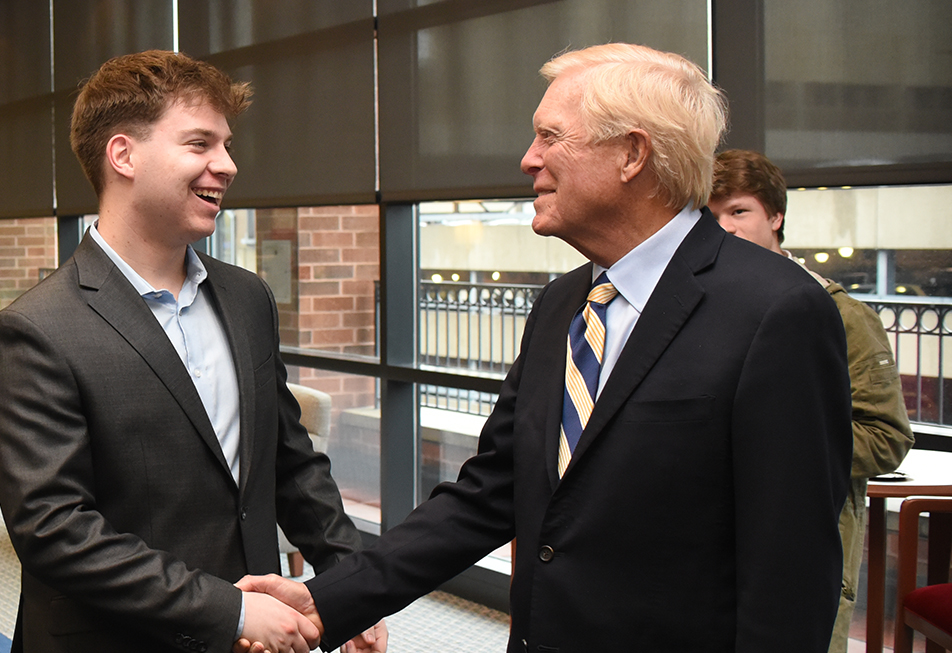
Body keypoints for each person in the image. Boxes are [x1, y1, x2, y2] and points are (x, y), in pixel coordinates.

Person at [238, 43, 852, 652]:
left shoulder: (777, 311)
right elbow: (492, 491)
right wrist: (330, 597)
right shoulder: (563, 304)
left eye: (551, 137)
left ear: (632, 154)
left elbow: (790, 577)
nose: (529, 159)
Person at [0, 50, 380, 653]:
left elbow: (290, 461)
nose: (228, 164)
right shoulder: (35, 330)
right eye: (200, 144)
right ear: (124, 155)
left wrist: (354, 581)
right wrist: (231, 611)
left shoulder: (247, 298)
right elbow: (55, 529)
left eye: (226, 144)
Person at [708, 148, 914, 652]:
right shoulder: (697, 306)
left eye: (738, 211)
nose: (724, 229)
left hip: (800, 536)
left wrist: (771, 450)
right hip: (708, 537)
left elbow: (886, 437)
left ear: (775, 216)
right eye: (708, 217)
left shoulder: (838, 313)